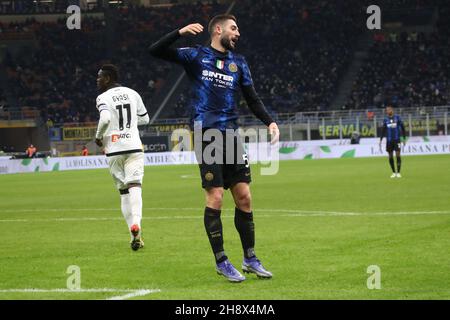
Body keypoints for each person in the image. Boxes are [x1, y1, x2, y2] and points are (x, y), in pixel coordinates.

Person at [149, 15, 280, 282]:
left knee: (244, 196)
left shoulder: (239, 63)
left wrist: (270, 122)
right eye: (234, 28)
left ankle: (250, 258)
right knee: (216, 197)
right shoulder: (196, 56)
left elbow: (252, 98)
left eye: (239, 29)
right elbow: (155, 50)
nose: (238, 33)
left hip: (231, 133)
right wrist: (180, 31)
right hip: (206, 132)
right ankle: (222, 261)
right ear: (217, 30)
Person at [94, 64, 150, 251]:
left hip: (114, 149)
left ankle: (133, 233)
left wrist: (98, 136)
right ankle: (137, 225)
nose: (97, 80)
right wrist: (130, 124)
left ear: (108, 78)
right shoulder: (133, 93)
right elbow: (145, 119)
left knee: (124, 192)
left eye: (100, 77)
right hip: (134, 146)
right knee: (136, 186)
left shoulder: (102, 98)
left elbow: (105, 119)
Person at [379, 106, 406, 178]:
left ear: (392, 110)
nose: (388, 111)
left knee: (398, 155)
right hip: (389, 141)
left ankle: (399, 172)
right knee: (390, 156)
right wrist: (380, 140)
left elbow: (403, 128)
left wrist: (404, 138)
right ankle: (394, 172)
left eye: (389, 109)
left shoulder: (397, 117)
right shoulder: (385, 119)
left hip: (397, 140)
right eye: (387, 110)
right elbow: (383, 130)